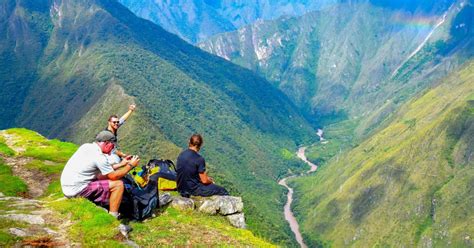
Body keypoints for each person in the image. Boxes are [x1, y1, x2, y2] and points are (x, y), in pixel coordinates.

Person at [60, 131, 140, 218]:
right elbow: (114, 176)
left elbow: (105, 170)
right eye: (112, 145)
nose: (113, 149)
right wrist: (130, 165)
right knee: (118, 184)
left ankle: (103, 203)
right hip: (76, 190)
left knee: (102, 177)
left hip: (67, 186)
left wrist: (122, 164)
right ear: (106, 143)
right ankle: (113, 216)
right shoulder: (99, 156)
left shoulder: (86, 146)